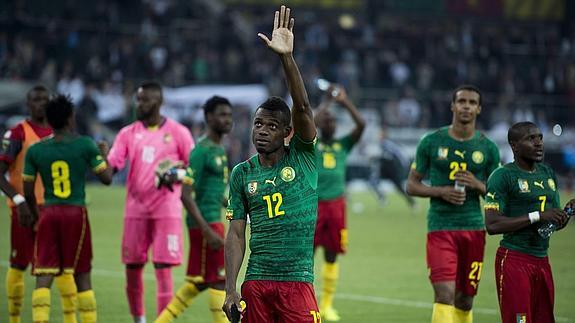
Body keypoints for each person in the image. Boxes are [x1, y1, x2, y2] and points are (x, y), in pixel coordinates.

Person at [222, 5, 320, 322]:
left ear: (288, 132)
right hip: (257, 283)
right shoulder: (242, 173)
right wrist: (230, 288)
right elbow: (236, 234)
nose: (262, 131)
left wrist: (285, 58)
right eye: (258, 124)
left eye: (272, 126)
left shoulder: (303, 158)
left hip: (297, 282)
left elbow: (303, 107)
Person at [406, 85, 500, 323]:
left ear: (478, 108)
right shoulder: (431, 141)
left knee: (465, 299)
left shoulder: (488, 148)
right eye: (461, 101)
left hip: (473, 229)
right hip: (440, 228)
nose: (466, 106)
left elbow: (498, 194)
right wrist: (441, 192)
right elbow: (411, 185)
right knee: (444, 294)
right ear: (453, 106)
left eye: (471, 102)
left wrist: (477, 185)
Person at [105, 82, 194, 323]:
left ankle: (161, 320)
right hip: (135, 211)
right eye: (138, 99)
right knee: (132, 268)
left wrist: (176, 175)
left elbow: (193, 171)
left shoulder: (179, 133)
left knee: (163, 267)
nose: (139, 104)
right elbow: (112, 166)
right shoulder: (127, 133)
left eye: (144, 100)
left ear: (157, 102)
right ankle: (139, 320)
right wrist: (102, 160)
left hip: (166, 210)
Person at [21, 94, 113, 323]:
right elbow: (107, 178)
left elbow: (29, 192)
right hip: (75, 213)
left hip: (48, 213)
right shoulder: (85, 145)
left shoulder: (36, 151)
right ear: (71, 119)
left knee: (43, 273)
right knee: (82, 274)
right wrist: (104, 154)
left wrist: (35, 215)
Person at [0, 85, 75, 323]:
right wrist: (18, 200)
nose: (41, 103)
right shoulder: (18, 134)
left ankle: (71, 319)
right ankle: (14, 320)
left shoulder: (59, 133)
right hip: (25, 212)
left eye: (45, 99)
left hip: (55, 211)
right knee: (19, 263)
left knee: (62, 267)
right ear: (28, 104)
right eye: (36, 100)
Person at [484, 121, 573, 323]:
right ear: (514, 145)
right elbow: (492, 225)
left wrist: (565, 214)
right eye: (530, 138)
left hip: (542, 260)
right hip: (515, 259)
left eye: (540, 138)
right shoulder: (502, 176)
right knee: (520, 321)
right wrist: (538, 215)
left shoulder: (548, 174)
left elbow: (551, 224)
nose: (539, 143)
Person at [155, 96, 232, 323]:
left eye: (229, 115)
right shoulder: (201, 151)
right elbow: (186, 195)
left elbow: (215, 192)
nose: (227, 120)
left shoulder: (218, 148)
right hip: (207, 224)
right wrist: (207, 230)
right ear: (209, 117)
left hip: (211, 220)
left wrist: (235, 205)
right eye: (222, 114)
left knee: (197, 283)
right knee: (220, 281)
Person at [313, 85, 365, 321]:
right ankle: (309, 302)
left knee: (332, 254)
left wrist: (344, 102)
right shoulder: (310, 145)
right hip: (313, 206)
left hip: (336, 206)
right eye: (326, 120)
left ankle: (327, 305)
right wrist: (326, 103)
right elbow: (306, 122)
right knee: (307, 254)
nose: (330, 123)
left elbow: (361, 125)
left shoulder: (343, 145)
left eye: (333, 121)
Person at [369, 128, 416, 209]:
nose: (377, 136)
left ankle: (412, 202)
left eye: (379, 134)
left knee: (398, 187)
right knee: (373, 181)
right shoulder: (384, 144)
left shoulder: (387, 144)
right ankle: (382, 198)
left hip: (392, 169)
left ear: (383, 136)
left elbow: (395, 155)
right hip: (386, 169)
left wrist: (404, 165)